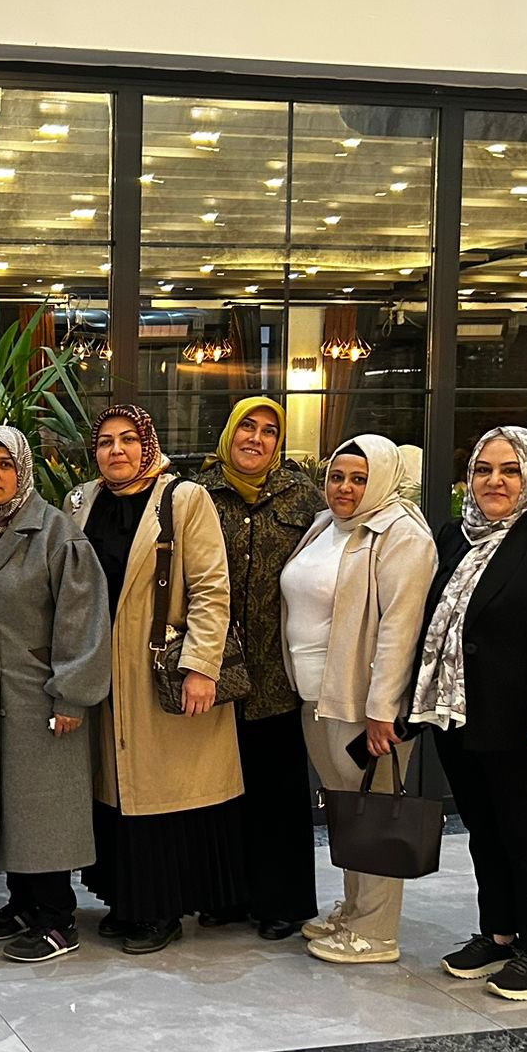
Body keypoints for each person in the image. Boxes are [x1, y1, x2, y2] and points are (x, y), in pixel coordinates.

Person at [410, 426, 527, 1002]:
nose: (495, 481)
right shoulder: (456, 535)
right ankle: (498, 934)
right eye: (483, 469)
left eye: (510, 470)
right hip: (462, 715)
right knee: (486, 832)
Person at [65, 404, 243, 954]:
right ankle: (125, 902)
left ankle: (159, 911)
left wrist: (201, 667)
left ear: (148, 443)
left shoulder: (183, 499)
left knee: (160, 795)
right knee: (115, 792)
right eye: (105, 441)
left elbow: (211, 586)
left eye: (128, 439)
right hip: (102, 672)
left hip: (160, 669)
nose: (116, 450)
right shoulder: (81, 501)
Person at [282, 436, 436, 965]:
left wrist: (382, 709)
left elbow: (400, 628)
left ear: (384, 480)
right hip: (318, 697)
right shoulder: (325, 525)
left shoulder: (401, 534)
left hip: (365, 707)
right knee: (350, 810)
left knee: (377, 811)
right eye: (337, 476)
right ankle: (353, 910)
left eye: (359, 478)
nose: (344, 488)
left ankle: (376, 931)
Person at [0, 426, 111, 962]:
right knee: (8, 806)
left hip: (41, 698)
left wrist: (70, 695)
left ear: (23, 471)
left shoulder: (56, 535)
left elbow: (83, 621)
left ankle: (57, 918)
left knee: (44, 810)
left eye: (5, 465)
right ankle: (22, 903)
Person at [195, 394, 326, 938]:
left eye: (269, 430)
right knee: (218, 790)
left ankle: (282, 903)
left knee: (278, 790)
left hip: (278, 671)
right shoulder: (199, 493)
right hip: (215, 669)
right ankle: (225, 896)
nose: (256, 438)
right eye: (247, 426)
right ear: (230, 432)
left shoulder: (304, 496)